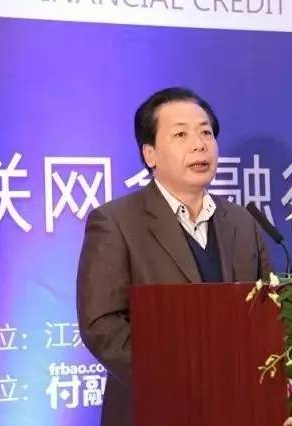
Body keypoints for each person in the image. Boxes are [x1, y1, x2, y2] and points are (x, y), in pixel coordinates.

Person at [76, 87, 273, 426]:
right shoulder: (116, 222)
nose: (199, 145)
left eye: (206, 133)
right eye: (181, 134)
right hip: (154, 409)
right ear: (150, 153)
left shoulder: (243, 222)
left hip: (237, 407)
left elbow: (266, 312)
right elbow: (102, 325)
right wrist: (177, 378)